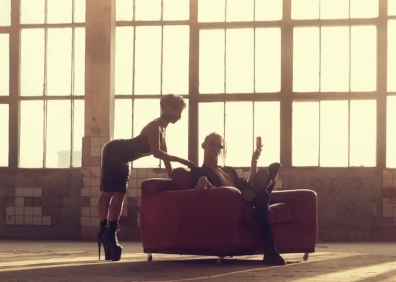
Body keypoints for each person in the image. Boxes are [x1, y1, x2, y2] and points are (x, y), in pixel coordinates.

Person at [97, 94, 196, 261]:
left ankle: (111, 233)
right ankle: (102, 230)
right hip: (114, 151)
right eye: (178, 111)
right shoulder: (154, 126)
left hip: (125, 159)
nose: (179, 116)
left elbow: (165, 155)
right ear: (167, 108)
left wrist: (172, 175)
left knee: (120, 194)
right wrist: (183, 161)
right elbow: (157, 153)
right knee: (108, 193)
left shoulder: (163, 129)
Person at [191, 133, 286, 266]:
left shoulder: (229, 170)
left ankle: (256, 194)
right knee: (262, 196)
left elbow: (248, 184)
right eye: (212, 144)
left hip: (246, 195)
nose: (216, 148)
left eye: (219, 146)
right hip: (235, 202)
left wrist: (254, 161)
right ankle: (270, 251)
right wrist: (203, 179)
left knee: (275, 167)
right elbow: (205, 189)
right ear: (203, 146)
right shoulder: (199, 171)